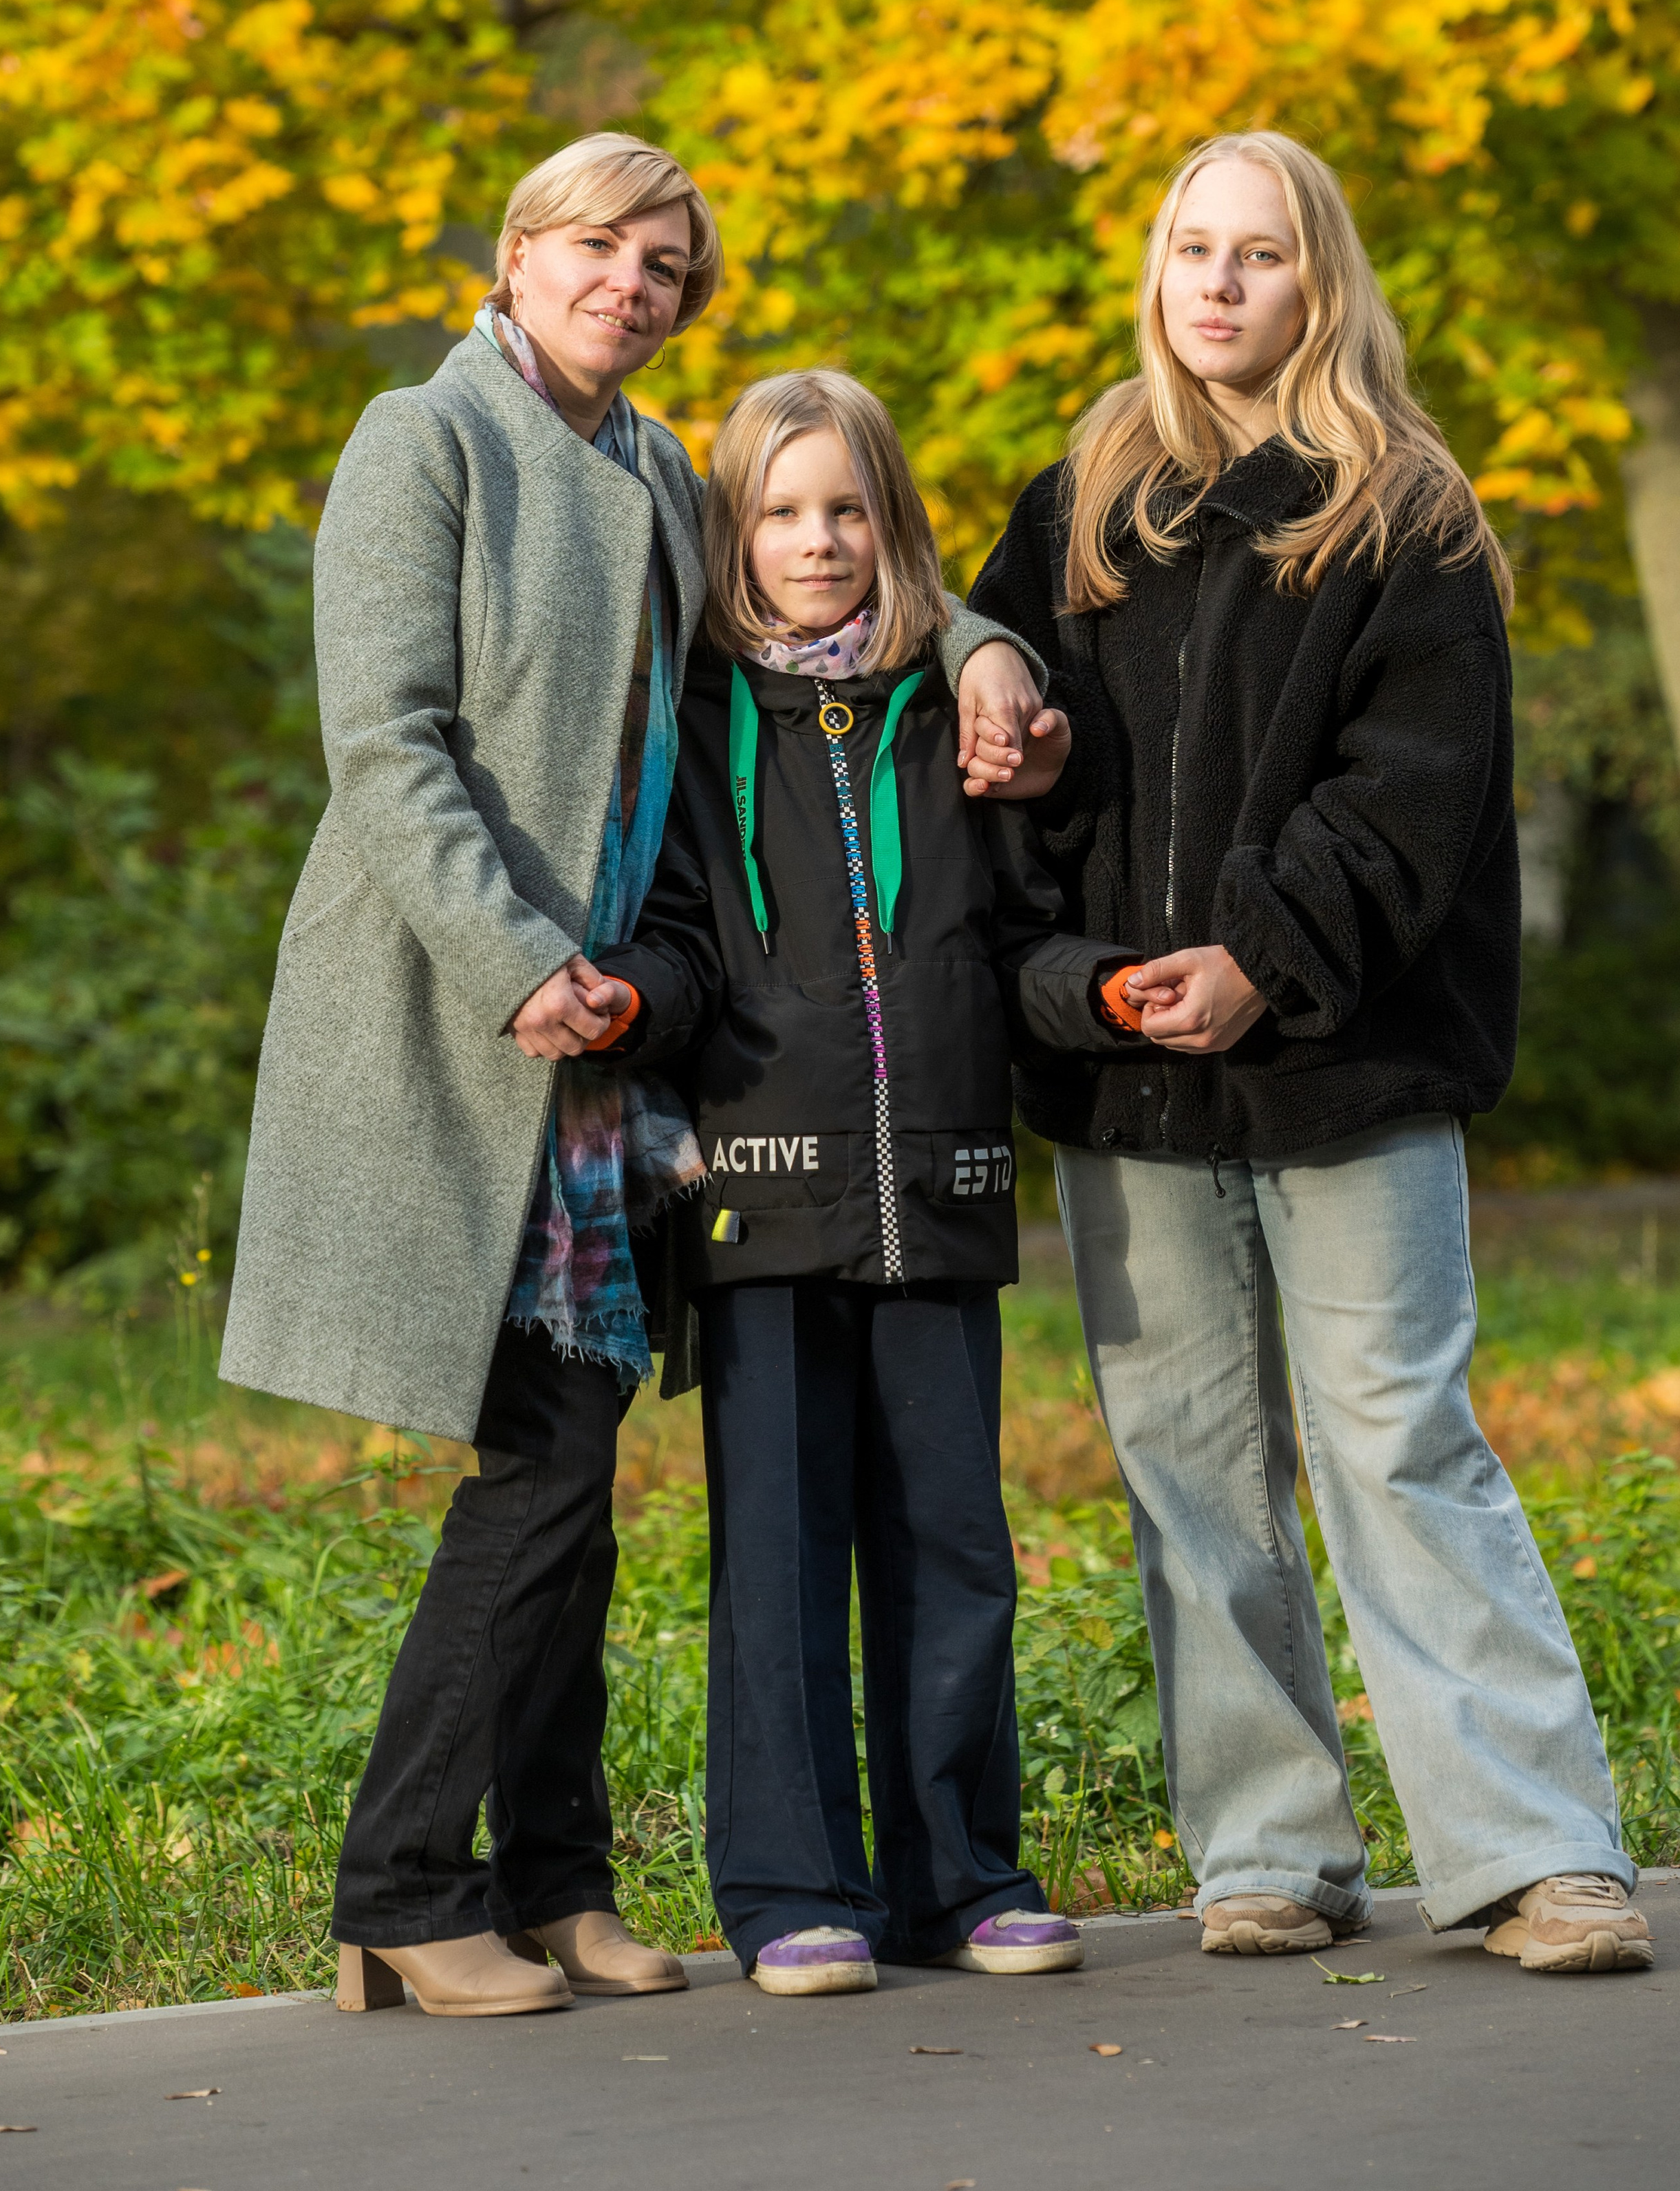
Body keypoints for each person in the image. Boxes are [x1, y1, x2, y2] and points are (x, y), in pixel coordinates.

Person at [219, 135, 1054, 2020]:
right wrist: (528, 968)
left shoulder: (668, 471)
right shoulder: (415, 441)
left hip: (615, 1051)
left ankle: (560, 1876)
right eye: (598, 245)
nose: (630, 282)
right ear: (516, 256)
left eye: (666, 263)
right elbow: (387, 745)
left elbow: (837, 609)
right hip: (465, 1015)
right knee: (534, 1469)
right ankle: (402, 1886)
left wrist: (991, 650)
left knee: (579, 1474)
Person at [969, 129, 1652, 1978]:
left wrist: (1264, 962)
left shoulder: (1404, 514)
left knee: (1403, 1444)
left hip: (1347, 1070)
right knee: (1192, 1467)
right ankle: (1267, 1841)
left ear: (1318, 280)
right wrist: (994, 701)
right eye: (1192, 248)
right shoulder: (1083, 497)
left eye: (1257, 254)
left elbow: (1411, 801)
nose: (1217, 285)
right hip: (1130, 1075)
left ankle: (1531, 1851)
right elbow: (989, 722)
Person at [557, 369, 1137, 1995]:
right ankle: (788, 1888)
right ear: (731, 531)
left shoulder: (957, 717)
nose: (815, 541)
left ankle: (963, 1873)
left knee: (956, 1544)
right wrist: (633, 999)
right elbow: (675, 937)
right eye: (779, 510)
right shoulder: (692, 719)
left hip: (941, 1186)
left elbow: (1014, 939)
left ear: (893, 522)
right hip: (756, 1199)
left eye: (844, 508)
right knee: (781, 1553)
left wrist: (1095, 990)